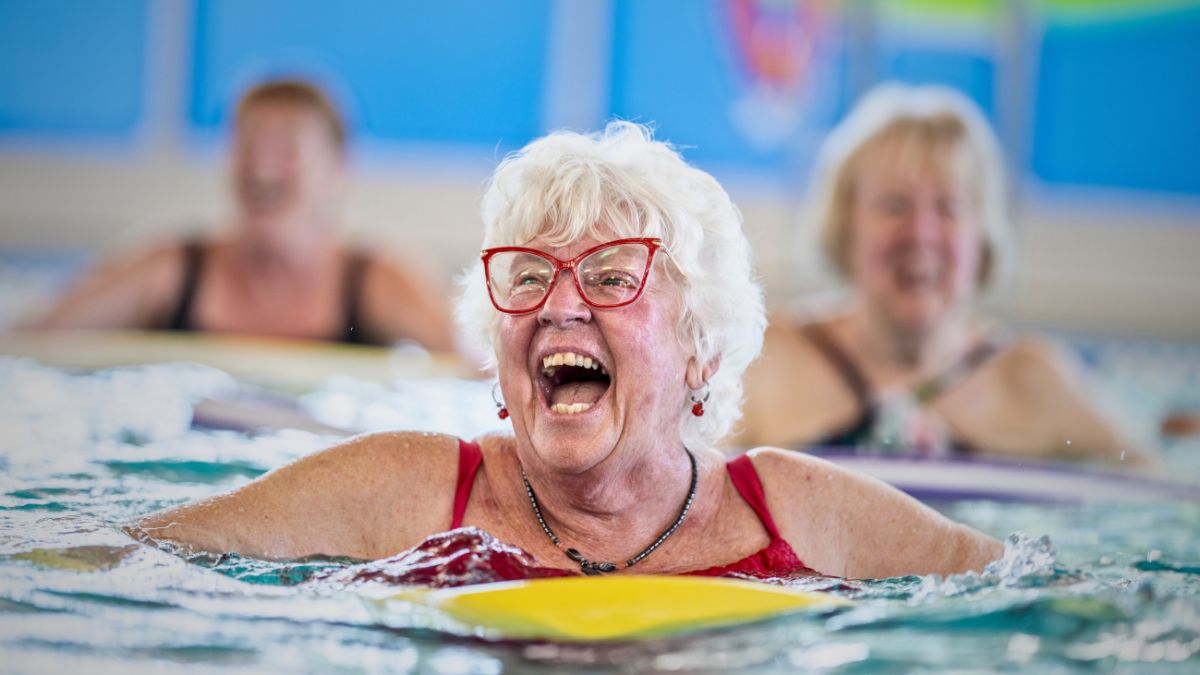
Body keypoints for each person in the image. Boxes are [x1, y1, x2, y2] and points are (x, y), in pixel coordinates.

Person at [128, 122, 1001, 580]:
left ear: (701, 347)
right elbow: (122, 557)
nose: (560, 304)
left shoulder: (804, 512)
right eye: (530, 275)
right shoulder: (404, 492)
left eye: (614, 276)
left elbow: (1048, 595)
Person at [733, 84, 1154, 467]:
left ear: (982, 235)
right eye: (894, 205)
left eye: (948, 208)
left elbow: (1158, 499)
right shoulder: (769, 362)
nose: (921, 234)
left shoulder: (1033, 380)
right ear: (845, 226)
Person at [21, 79, 457, 351]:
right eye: (248, 145)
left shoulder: (376, 279)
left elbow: (475, 367)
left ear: (335, 168)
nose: (261, 167)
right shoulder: (173, 268)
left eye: (286, 149)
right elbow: (30, 341)